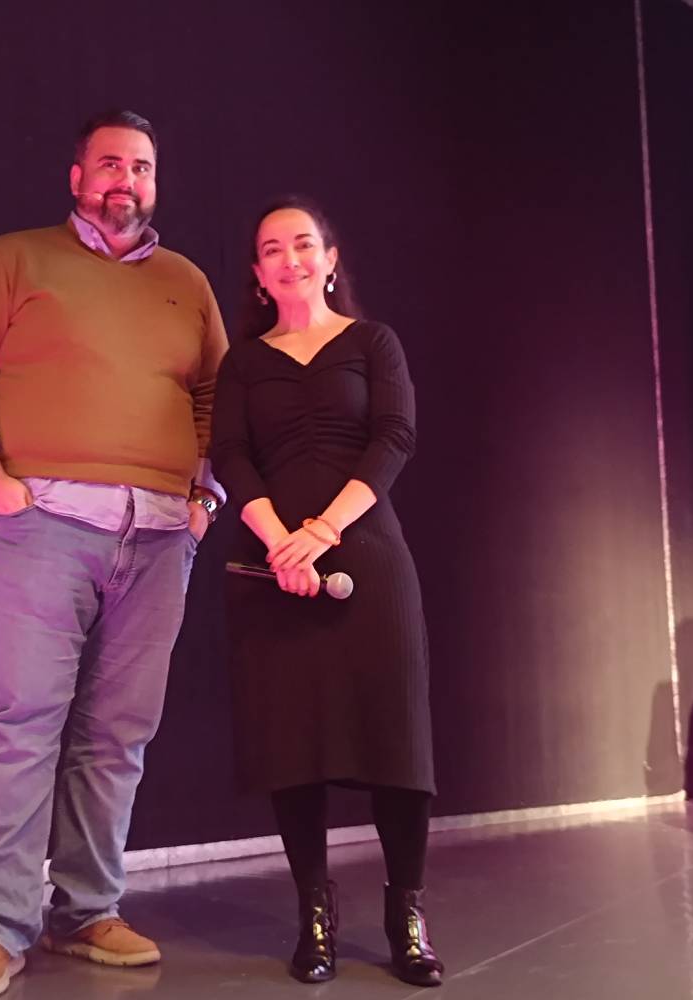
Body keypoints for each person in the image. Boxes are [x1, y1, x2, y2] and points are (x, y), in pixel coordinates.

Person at [0, 109, 228, 999]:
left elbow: (217, 395)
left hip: (162, 533)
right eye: (108, 165)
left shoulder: (186, 282)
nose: (123, 180)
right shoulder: (15, 258)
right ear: (76, 177)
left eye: (139, 167)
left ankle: (88, 909)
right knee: (20, 726)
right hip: (35, 521)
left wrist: (203, 497)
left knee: (118, 735)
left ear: (155, 183)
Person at [209, 196, 444, 987]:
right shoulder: (243, 362)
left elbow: (394, 438)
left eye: (303, 244)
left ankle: (406, 914)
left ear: (331, 257)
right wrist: (282, 542)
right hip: (275, 566)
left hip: (366, 556)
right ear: (257, 272)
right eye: (271, 249)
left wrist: (323, 532)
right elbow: (232, 457)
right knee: (293, 745)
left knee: (396, 745)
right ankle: (315, 915)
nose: (289, 259)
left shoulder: (373, 342)